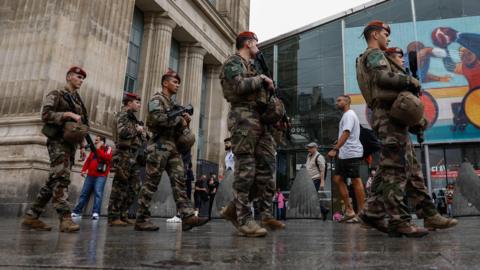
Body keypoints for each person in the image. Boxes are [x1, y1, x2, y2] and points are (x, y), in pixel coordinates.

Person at [356, 21, 456, 237]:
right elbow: (382, 78)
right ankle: (399, 220)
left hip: (391, 116)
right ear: (375, 34)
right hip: (387, 117)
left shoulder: (376, 55)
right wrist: (409, 81)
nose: (388, 38)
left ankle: (382, 212)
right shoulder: (374, 55)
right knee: (396, 169)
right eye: (385, 34)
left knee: (402, 167)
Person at [219, 31, 285, 237]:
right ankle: (244, 219)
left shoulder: (252, 67)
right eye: (256, 43)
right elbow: (238, 86)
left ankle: (239, 210)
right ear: (248, 43)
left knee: (266, 168)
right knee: (245, 170)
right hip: (243, 119)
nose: (258, 47)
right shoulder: (233, 62)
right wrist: (261, 79)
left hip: (260, 121)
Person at [386, 46, 459, 230]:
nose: (401, 60)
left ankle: (427, 214)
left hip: (401, 127)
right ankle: (405, 217)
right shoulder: (392, 77)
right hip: (394, 127)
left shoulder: (405, 76)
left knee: (409, 173)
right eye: (398, 57)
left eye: (403, 58)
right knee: (401, 174)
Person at [134, 69, 208, 231]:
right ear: (165, 83)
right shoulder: (156, 99)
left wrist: (185, 122)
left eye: (179, 82)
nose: (178, 85)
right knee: (151, 183)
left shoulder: (173, 105)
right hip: (159, 146)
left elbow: (176, 123)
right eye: (174, 82)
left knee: (179, 181)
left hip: (172, 147)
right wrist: (180, 121)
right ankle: (141, 218)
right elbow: (158, 119)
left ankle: (187, 216)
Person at [21, 66, 89, 233]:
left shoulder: (79, 101)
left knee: (53, 180)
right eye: (78, 77)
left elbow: (81, 125)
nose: (81, 80)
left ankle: (32, 216)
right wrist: (66, 114)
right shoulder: (56, 94)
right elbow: (45, 115)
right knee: (61, 179)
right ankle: (65, 218)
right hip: (57, 142)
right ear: (69, 77)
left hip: (70, 144)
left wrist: (82, 145)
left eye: (82, 78)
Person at [107, 92, 147, 226]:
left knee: (135, 186)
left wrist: (142, 132)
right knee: (120, 186)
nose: (139, 105)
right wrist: (138, 130)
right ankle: (113, 216)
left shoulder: (133, 119)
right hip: (123, 154)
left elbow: (142, 137)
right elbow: (123, 132)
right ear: (129, 103)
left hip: (133, 155)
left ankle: (123, 214)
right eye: (137, 102)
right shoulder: (122, 115)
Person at [327, 95, 365, 223]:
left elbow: (347, 132)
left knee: (355, 180)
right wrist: (338, 146)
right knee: (338, 179)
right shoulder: (346, 115)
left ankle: (362, 212)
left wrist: (335, 149)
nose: (337, 102)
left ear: (347, 102)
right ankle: (349, 211)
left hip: (351, 152)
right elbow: (345, 134)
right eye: (337, 100)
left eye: (339, 100)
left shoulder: (349, 114)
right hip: (344, 153)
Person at [72, 135, 113, 220]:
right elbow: (88, 161)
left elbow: (107, 158)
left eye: (97, 140)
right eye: (95, 140)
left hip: (101, 176)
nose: (95, 142)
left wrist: (98, 149)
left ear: (102, 142)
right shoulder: (93, 150)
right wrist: (83, 170)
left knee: (98, 193)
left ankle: (95, 213)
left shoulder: (108, 148)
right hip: (90, 175)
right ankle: (77, 211)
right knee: (84, 193)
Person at [305, 142, 329, 219]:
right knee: (312, 198)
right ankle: (323, 210)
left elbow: (322, 170)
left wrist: (322, 182)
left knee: (313, 197)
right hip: (310, 180)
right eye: (308, 148)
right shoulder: (308, 156)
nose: (309, 149)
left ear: (315, 148)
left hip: (316, 180)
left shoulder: (319, 157)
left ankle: (323, 210)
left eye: (311, 148)